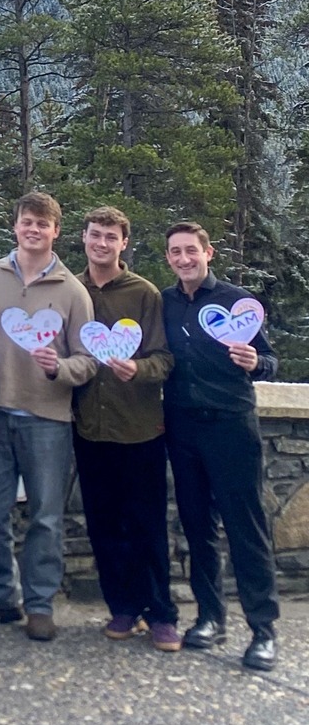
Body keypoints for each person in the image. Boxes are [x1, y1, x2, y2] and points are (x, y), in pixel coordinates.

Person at [0, 191, 95, 642]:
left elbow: (88, 360)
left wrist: (59, 368)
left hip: (47, 418)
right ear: (16, 226)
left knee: (45, 516)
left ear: (56, 231)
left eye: (43, 224)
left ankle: (40, 605)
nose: (34, 230)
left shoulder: (72, 291)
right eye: (27, 221)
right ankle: (0, 595)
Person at [162, 221, 279, 671]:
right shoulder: (165, 302)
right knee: (197, 527)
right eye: (176, 252)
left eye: (191, 250)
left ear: (208, 253)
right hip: (183, 427)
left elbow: (269, 360)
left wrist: (256, 361)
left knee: (246, 527)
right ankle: (211, 617)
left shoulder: (237, 302)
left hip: (231, 426)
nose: (184, 259)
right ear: (169, 258)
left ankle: (263, 630)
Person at [71, 207, 177, 652]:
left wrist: (139, 369)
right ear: (83, 237)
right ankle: (122, 607)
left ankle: (161, 614)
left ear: (123, 243)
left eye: (110, 237)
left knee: (147, 526)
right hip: (89, 430)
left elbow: (165, 359)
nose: (102, 243)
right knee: (104, 526)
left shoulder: (144, 294)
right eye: (95, 235)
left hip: (139, 430)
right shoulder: (71, 290)